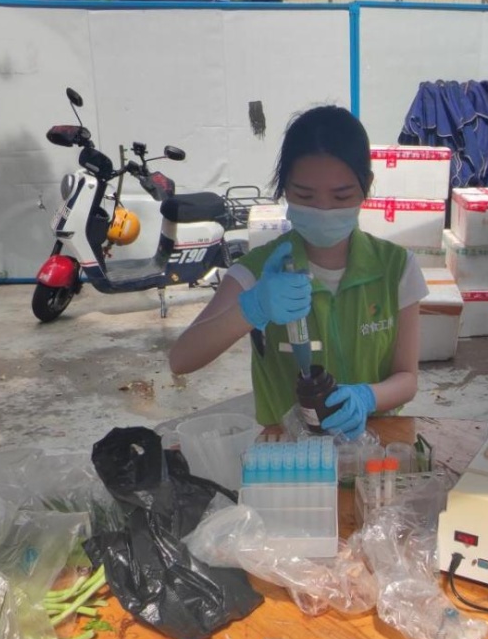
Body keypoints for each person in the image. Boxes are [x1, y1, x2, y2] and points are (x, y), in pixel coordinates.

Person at [168, 105, 427, 439]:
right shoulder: (259, 270)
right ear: (285, 189)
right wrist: (252, 308)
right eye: (305, 195)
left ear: (366, 186)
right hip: (289, 451)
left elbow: (407, 378)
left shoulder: (396, 268)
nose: (323, 209)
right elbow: (181, 359)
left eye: (341, 195)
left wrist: (366, 397)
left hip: (374, 445)